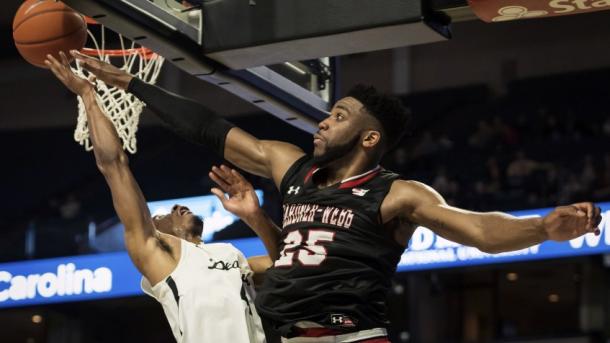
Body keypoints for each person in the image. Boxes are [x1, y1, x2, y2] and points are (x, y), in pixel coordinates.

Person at [71, 50, 603, 342]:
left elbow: (481, 231)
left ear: (369, 139)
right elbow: (212, 129)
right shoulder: (291, 167)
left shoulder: (395, 194)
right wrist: (132, 84)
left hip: (350, 337)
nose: (324, 122)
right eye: (330, 113)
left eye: (339, 117)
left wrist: (542, 228)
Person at [44, 52, 271, 343]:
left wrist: (256, 217)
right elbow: (114, 167)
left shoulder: (233, 257)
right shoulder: (156, 255)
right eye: (161, 215)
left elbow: (293, 268)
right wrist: (88, 94)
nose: (176, 207)